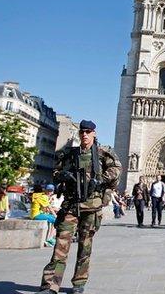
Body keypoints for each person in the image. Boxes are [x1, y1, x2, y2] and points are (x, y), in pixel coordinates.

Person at [37, 120, 121, 294]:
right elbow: (55, 172)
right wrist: (62, 175)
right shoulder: (68, 154)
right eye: (82, 131)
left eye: (88, 131)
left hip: (91, 206)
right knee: (60, 246)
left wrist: (101, 180)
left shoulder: (103, 153)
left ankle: (79, 283)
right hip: (71, 205)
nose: (84, 134)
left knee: (85, 247)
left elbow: (116, 169)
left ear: (94, 133)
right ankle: (50, 285)